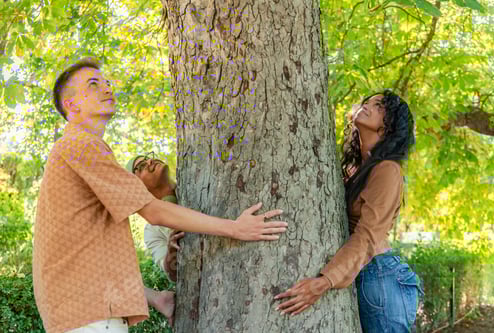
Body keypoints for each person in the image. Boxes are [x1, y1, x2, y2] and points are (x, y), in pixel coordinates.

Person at [32, 58, 288, 333]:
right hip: (87, 313)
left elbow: (89, 248)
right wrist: (235, 229)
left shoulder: (79, 150)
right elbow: (153, 212)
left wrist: (156, 298)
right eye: (93, 84)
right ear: (72, 106)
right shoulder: (79, 144)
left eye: (106, 82)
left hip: (83, 310)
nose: (106, 88)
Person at [274, 90, 423, 332]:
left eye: (380, 106)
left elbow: (367, 235)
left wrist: (324, 282)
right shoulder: (357, 167)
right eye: (368, 102)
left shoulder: (388, 170)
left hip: (381, 277)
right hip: (364, 276)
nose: (368, 106)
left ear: (389, 126)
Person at [124, 152, 184, 326]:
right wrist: (172, 253)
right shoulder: (152, 231)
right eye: (141, 167)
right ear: (137, 187)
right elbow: (173, 274)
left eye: (148, 156)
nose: (150, 161)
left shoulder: (199, 183)